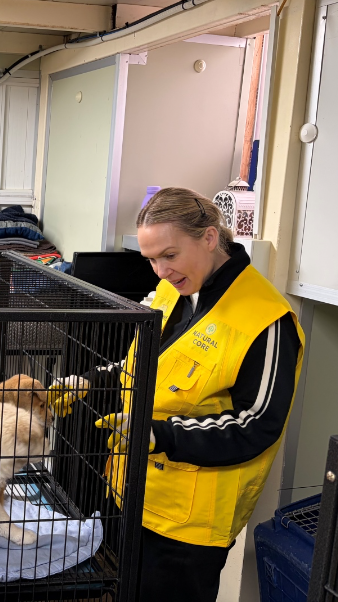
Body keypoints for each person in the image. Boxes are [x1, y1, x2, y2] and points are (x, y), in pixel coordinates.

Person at [95, 187, 304, 601]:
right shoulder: (177, 289)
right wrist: (90, 379)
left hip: (189, 525)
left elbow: (256, 425)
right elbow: (150, 367)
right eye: (151, 259)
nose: (160, 271)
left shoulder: (267, 320)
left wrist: (161, 435)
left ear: (210, 238)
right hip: (133, 491)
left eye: (169, 255)